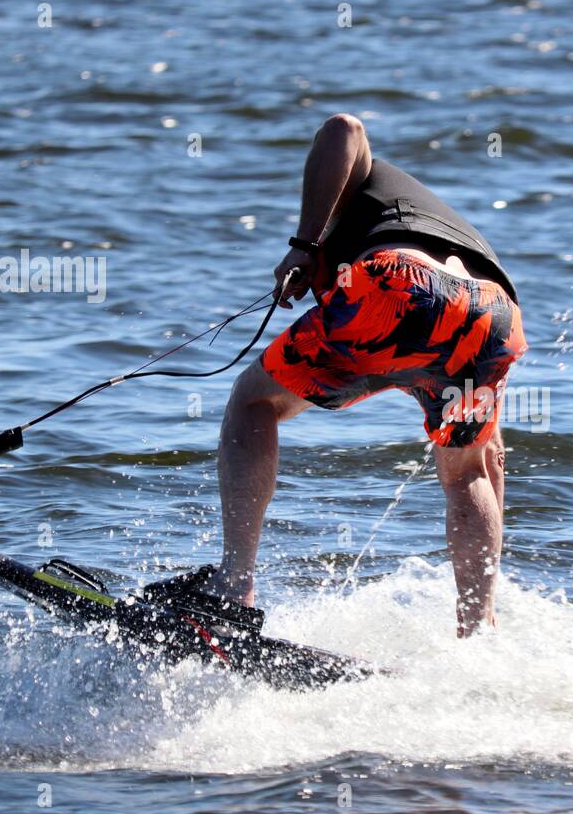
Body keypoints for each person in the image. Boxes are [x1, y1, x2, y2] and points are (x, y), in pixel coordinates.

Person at [152, 115, 526, 638]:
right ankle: (478, 629)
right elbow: (492, 461)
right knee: (471, 469)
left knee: (252, 402)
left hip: (400, 285)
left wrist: (304, 246)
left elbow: (343, 128)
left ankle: (234, 586)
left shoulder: (363, 186)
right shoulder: (430, 218)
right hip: (492, 314)